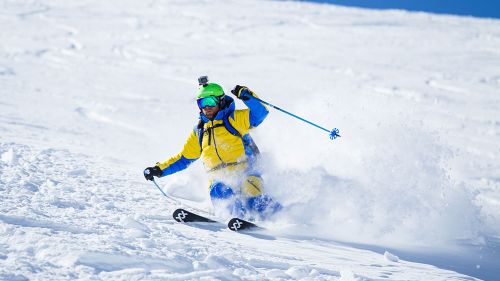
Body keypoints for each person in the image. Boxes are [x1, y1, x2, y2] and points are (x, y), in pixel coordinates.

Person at [144, 77, 281, 220]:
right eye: (202, 103)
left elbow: (261, 113)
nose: (206, 107)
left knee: (250, 191)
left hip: (247, 174)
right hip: (219, 179)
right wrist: (159, 169)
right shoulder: (200, 131)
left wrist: (247, 96)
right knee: (219, 191)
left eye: (210, 101)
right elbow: (183, 158)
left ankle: (280, 217)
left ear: (220, 101)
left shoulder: (235, 119)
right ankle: (235, 219)